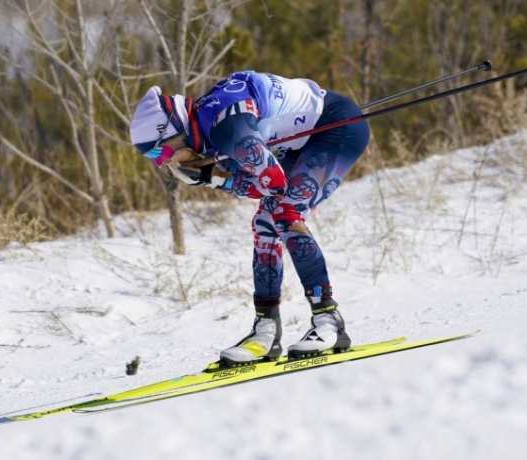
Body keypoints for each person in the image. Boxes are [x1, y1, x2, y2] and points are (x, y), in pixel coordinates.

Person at [130, 71, 370, 366]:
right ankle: (265, 331)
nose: (163, 161)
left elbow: (272, 185)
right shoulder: (210, 131)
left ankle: (329, 322)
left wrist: (213, 179)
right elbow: (258, 180)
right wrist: (214, 174)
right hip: (302, 141)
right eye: (153, 157)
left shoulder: (227, 128)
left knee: (285, 213)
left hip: (337, 127)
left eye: (160, 149)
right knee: (265, 224)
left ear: (177, 130)